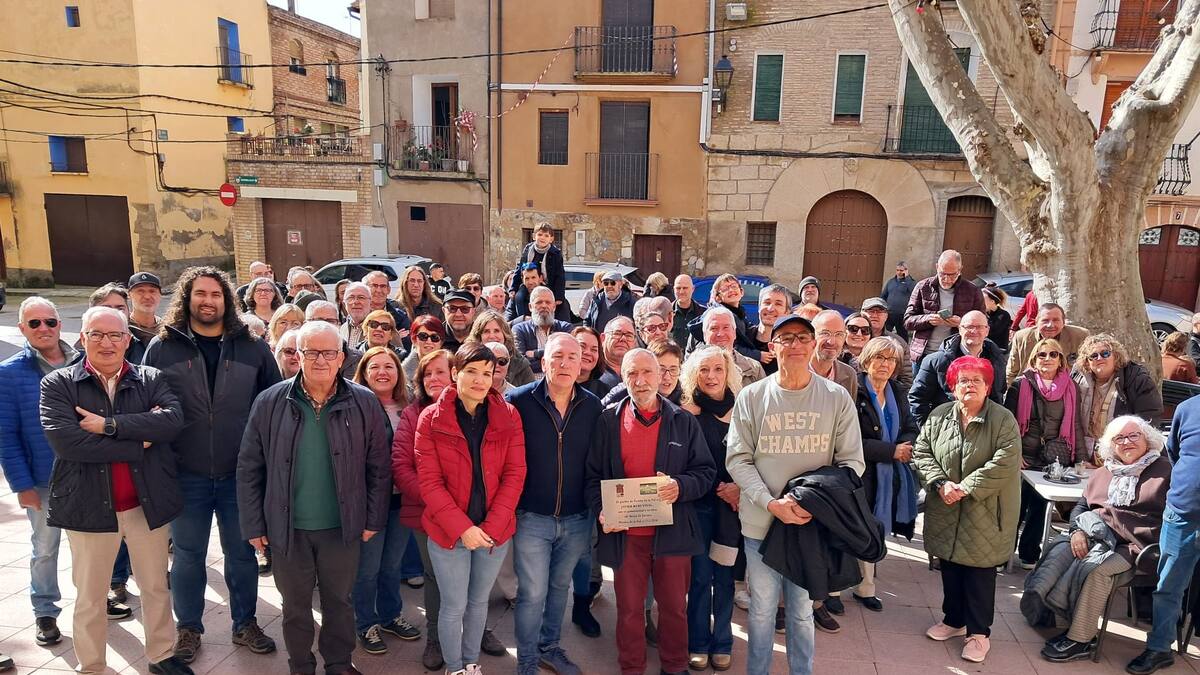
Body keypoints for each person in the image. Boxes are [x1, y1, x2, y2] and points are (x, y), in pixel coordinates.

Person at [40, 306, 189, 675]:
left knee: (155, 588)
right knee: (91, 596)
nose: (106, 343)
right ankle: (92, 666)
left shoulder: (150, 378)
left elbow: (172, 422)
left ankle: (161, 655)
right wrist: (139, 441)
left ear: (127, 339)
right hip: (89, 507)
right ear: (82, 338)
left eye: (115, 335)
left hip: (145, 505)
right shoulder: (58, 384)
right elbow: (68, 444)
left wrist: (108, 426)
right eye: (97, 334)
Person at [142, 267, 281, 664]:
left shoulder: (252, 347)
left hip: (241, 474)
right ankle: (188, 628)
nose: (208, 301)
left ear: (227, 300)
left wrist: (265, 466)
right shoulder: (162, 348)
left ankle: (245, 622)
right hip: (186, 473)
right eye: (200, 293)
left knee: (242, 554)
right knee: (188, 555)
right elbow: (146, 406)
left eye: (216, 294)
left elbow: (272, 406)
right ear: (187, 298)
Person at [237, 321, 391, 675]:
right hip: (287, 528)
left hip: (342, 526)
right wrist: (254, 524)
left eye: (328, 353)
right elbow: (249, 467)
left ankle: (338, 663)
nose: (320, 360)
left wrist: (372, 518)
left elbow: (379, 467)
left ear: (341, 357)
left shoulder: (364, 401)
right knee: (295, 606)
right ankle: (301, 665)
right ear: (298, 355)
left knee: (339, 602)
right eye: (311, 352)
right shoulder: (270, 401)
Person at [725, 315, 865, 675]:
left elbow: (852, 462)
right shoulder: (752, 396)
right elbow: (738, 459)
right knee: (761, 610)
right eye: (786, 338)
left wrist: (812, 505)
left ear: (814, 344)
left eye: (803, 337)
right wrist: (771, 502)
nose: (796, 345)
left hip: (808, 525)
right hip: (761, 523)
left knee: (802, 611)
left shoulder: (835, 397)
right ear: (774, 347)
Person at [586, 349, 716, 675]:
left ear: (660, 376)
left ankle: (674, 665)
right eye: (632, 373)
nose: (640, 380)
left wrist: (680, 486)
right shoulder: (608, 421)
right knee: (630, 609)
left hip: (672, 533)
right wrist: (602, 510)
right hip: (626, 536)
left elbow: (705, 472)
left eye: (647, 372)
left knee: (674, 608)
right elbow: (592, 478)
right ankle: (632, 666)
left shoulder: (683, 421)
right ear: (623, 378)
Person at [415, 343, 528, 675]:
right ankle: (455, 668)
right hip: (448, 533)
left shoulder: (508, 415)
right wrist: (462, 528)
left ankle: (471, 663)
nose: (480, 380)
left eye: (487, 373)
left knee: (479, 603)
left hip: (494, 531)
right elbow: (430, 482)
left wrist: (490, 527)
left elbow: (515, 473)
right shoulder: (431, 418)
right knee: (453, 605)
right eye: (472, 372)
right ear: (455, 373)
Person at [1031, 415, 1170, 663]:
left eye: (1133, 435)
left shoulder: (1165, 472)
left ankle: (1081, 639)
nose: (1126, 442)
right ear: (1110, 445)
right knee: (1060, 551)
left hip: (1137, 547)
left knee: (1097, 570)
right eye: (1119, 438)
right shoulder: (1103, 472)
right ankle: (1048, 612)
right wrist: (1076, 531)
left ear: (1148, 439)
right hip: (1097, 535)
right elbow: (1081, 507)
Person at [913, 355, 1020, 665]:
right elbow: (922, 451)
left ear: (987, 387)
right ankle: (954, 620)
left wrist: (965, 487)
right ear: (953, 386)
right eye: (963, 380)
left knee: (979, 572)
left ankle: (978, 633)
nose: (969, 385)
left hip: (986, 509)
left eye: (977, 380)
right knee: (950, 565)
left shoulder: (1002, 419)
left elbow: (1005, 460)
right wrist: (940, 483)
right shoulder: (940, 415)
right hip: (945, 504)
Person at [506, 334, 603, 675]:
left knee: (560, 587)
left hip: (577, 517)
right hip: (532, 516)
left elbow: (598, 461)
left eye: (572, 357)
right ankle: (527, 660)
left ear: (581, 365)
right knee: (532, 592)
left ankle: (549, 646)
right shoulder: (518, 400)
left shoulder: (592, 406)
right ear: (543, 362)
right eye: (557, 356)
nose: (564, 363)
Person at [0, 297, 77, 647]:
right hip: (43, 480)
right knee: (45, 548)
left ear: (59, 324)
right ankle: (45, 610)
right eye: (34, 323)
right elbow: (6, 435)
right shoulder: (8, 373)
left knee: (90, 547)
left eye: (50, 321)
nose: (44, 328)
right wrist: (22, 485)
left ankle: (96, 600)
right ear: (22, 329)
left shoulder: (83, 361)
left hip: (88, 476)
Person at [350, 346, 422, 654]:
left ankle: (391, 615)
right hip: (369, 501)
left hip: (401, 499)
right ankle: (366, 623)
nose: (382, 372)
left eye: (389, 366)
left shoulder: (410, 406)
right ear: (364, 373)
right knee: (368, 568)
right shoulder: (354, 406)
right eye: (375, 367)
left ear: (398, 372)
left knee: (392, 564)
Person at [679, 346, 742, 672]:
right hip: (699, 508)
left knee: (726, 579)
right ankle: (698, 642)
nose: (711, 376)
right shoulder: (687, 413)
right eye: (704, 370)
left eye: (717, 369)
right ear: (694, 374)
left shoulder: (744, 409)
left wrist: (739, 488)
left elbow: (757, 456)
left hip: (731, 510)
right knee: (701, 578)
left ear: (727, 371)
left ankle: (723, 642)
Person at [1127, 395, 1200, 674]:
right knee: (1168, 586)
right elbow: (1174, 453)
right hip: (1182, 513)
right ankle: (1159, 648)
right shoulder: (1187, 408)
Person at [394, 349, 456, 671]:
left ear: (455, 374)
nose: (433, 378)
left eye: (440, 372)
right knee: (435, 577)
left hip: (469, 513)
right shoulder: (412, 415)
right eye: (427, 374)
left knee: (472, 579)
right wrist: (437, 501)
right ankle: (435, 637)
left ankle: (478, 630)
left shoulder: (473, 409)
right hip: (426, 513)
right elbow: (402, 467)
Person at [1004, 338, 1084, 567]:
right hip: (1023, 456)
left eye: (1053, 354)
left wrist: (1080, 458)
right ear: (1034, 359)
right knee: (1015, 507)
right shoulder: (1020, 385)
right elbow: (1008, 424)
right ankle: (1004, 553)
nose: (1047, 358)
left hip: (1053, 459)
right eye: (1042, 354)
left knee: (1039, 508)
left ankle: (1029, 553)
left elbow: (1075, 424)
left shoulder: (1071, 387)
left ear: (1060, 360)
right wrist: (1014, 453)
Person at [854, 337, 920, 612]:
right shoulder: (854, 390)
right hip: (860, 472)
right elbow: (850, 438)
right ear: (867, 360)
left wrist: (904, 446)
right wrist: (891, 451)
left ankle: (865, 587)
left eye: (891, 359)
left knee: (875, 530)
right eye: (879, 358)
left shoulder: (897, 391)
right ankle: (834, 589)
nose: (885, 364)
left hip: (889, 474)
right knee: (856, 528)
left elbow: (910, 426)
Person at [1073, 333, 1163, 463]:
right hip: (1084, 455)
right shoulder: (1077, 379)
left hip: (1123, 455)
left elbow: (1148, 421)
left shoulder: (1136, 379)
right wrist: (1081, 457)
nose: (1099, 358)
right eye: (1093, 356)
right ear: (1087, 362)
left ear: (1116, 356)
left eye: (1105, 354)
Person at [909, 310, 1006, 426]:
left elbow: (999, 394)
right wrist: (929, 430)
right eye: (969, 326)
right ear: (960, 329)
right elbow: (917, 398)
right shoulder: (936, 361)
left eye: (979, 327)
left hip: (986, 428)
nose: (974, 331)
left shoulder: (997, 360)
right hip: (946, 428)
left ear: (987, 331)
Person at [903, 250, 986, 363]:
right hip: (923, 354)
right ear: (937, 267)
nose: (947, 279)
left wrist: (962, 324)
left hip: (957, 355)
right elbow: (907, 321)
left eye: (952, 275)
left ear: (960, 270)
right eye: (942, 274)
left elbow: (984, 325)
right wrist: (928, 319)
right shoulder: (923, 287)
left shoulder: (973, 290)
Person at [1006, 303, 1090, 383]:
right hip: (1029, 387)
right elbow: (1012, 372)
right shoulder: (1021, 337)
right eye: (1045, 320)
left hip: (1068, 387)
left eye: (1056, 320)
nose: (1050, 325)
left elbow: (1088, 369)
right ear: (1036, 322)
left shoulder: (1080, 336)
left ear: (1063, 322)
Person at [511, 223, 569, 321]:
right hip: (528, 284)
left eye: (546, 235)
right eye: (540, 234)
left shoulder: (555, 253)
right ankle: (523, 319)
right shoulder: (528, 249)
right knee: (519, 297)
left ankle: (551, 320)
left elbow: (560, 275)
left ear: (551, 239)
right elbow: (519, 268)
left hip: (547, 284)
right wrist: (513, 288)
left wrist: (559, 295)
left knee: (553, 302)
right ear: (534, 236)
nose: (542, 238)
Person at [513, 286, 572, 376]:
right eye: (539, 302)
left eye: (548, 302)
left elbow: (569, 358)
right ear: (530, 307)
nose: (544, 306)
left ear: (554, 307)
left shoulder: (565, 329)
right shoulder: (519, 330)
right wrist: (555, 359)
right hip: (530, 382)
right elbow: (520, 364)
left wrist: (536, 353)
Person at [467, 309, 536, 386]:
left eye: (496, 331)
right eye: (486, 331)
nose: (492, 336)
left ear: (505, 335)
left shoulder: (520, 363)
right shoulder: (468, 360)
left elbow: (532, 391)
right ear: (478, 336)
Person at [860, 296, 913, 394]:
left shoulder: (898, 342)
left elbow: (906, 378)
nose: (875, 315)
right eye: (870, 311)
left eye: (879, 311)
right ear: (862, 313)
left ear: (886, 316)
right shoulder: (854, 337)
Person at [702, 306, 766, 387]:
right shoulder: (693, 368)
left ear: (734, 333)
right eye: (714, 328)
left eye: (726, 328)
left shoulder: (754, 369)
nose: (720, 334)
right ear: (705, 335)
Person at [307, 300, 362, 379]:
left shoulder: (358, 360)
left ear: (338, 325)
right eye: (319, 321)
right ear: (305, 324)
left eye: (331, 321)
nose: (325, 326)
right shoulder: (293, 356)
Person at [810, 310, 858, 400]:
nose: (831, 342)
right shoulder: (794, 370)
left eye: (839, 334)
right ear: (811, 336)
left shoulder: (849, 375)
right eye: (825, 333)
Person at [364, 270, 412, 349]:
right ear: (366, 289)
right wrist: (393, 337)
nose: (379, 290)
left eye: (383, 286)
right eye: (374, 286)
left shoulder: (400, 317)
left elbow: (405, 347)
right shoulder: (359, 313)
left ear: (388, 290)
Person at [750, 284, 791, 375]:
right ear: (759, 307)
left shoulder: (791, 346)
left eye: (778, 304)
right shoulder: (743, 339)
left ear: (787, 312)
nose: (770, 309)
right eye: (767, 302)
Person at [404, 315, 447, 389]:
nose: (429, 341)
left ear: (441, 342)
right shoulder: (402, 374)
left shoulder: (451, 368)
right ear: (413, 340)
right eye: (423, 336)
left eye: (435, 337)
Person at [572, 326, 614, 400]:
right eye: (582, 346)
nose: (588, 352)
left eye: (594, 350)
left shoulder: (605, 392)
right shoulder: (553, 386)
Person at [600, 316, 638, 391]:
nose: (623, 339)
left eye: (629, 335)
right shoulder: (591, 372)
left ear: (634, 342)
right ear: (603, 338)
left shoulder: (640, 373)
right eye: (617, 333)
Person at [127, 271, 164, 345]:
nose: (147, 297)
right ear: (129, 295)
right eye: (140, 291)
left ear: (160, 295)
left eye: (152, 291)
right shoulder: (122, 328)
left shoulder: (167, 329)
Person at [881, 260, 915, 340]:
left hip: (902, 314)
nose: (899, 272)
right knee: (884, 333)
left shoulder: (911, 282)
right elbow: (883, 296)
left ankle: (904, 348)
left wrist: (907, 278)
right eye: (897, 270)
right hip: (889, 313)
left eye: (901, 270)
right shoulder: (891, 282)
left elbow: (914, 292)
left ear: (906, 271)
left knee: (902, 336)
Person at [442, 288, 479, 354]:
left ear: (474, 311)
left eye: (465, 309)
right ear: (444, 310)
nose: (458, 314)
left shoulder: (482, 336)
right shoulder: (434, 337)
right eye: (452, 308)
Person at [671, 274, 703, 348]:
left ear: (693, 289)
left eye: (685, 288)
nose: (681, 291)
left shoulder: (703, 314)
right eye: (678, 288)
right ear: (674, 289)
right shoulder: (667, 312)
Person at [339, 281, 373, 348]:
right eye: (351, 297)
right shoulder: (342, 329)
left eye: (361, 297)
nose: (356, 302)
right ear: (344, 303)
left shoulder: (381, 327)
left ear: (371, 302)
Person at [982, 285, 1012, 352]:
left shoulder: (1003, 315)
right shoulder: (982, 314)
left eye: (983, 299)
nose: (980, 302)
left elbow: (992, 332)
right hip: (984, 349)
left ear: (992, 301)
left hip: (998, 351)